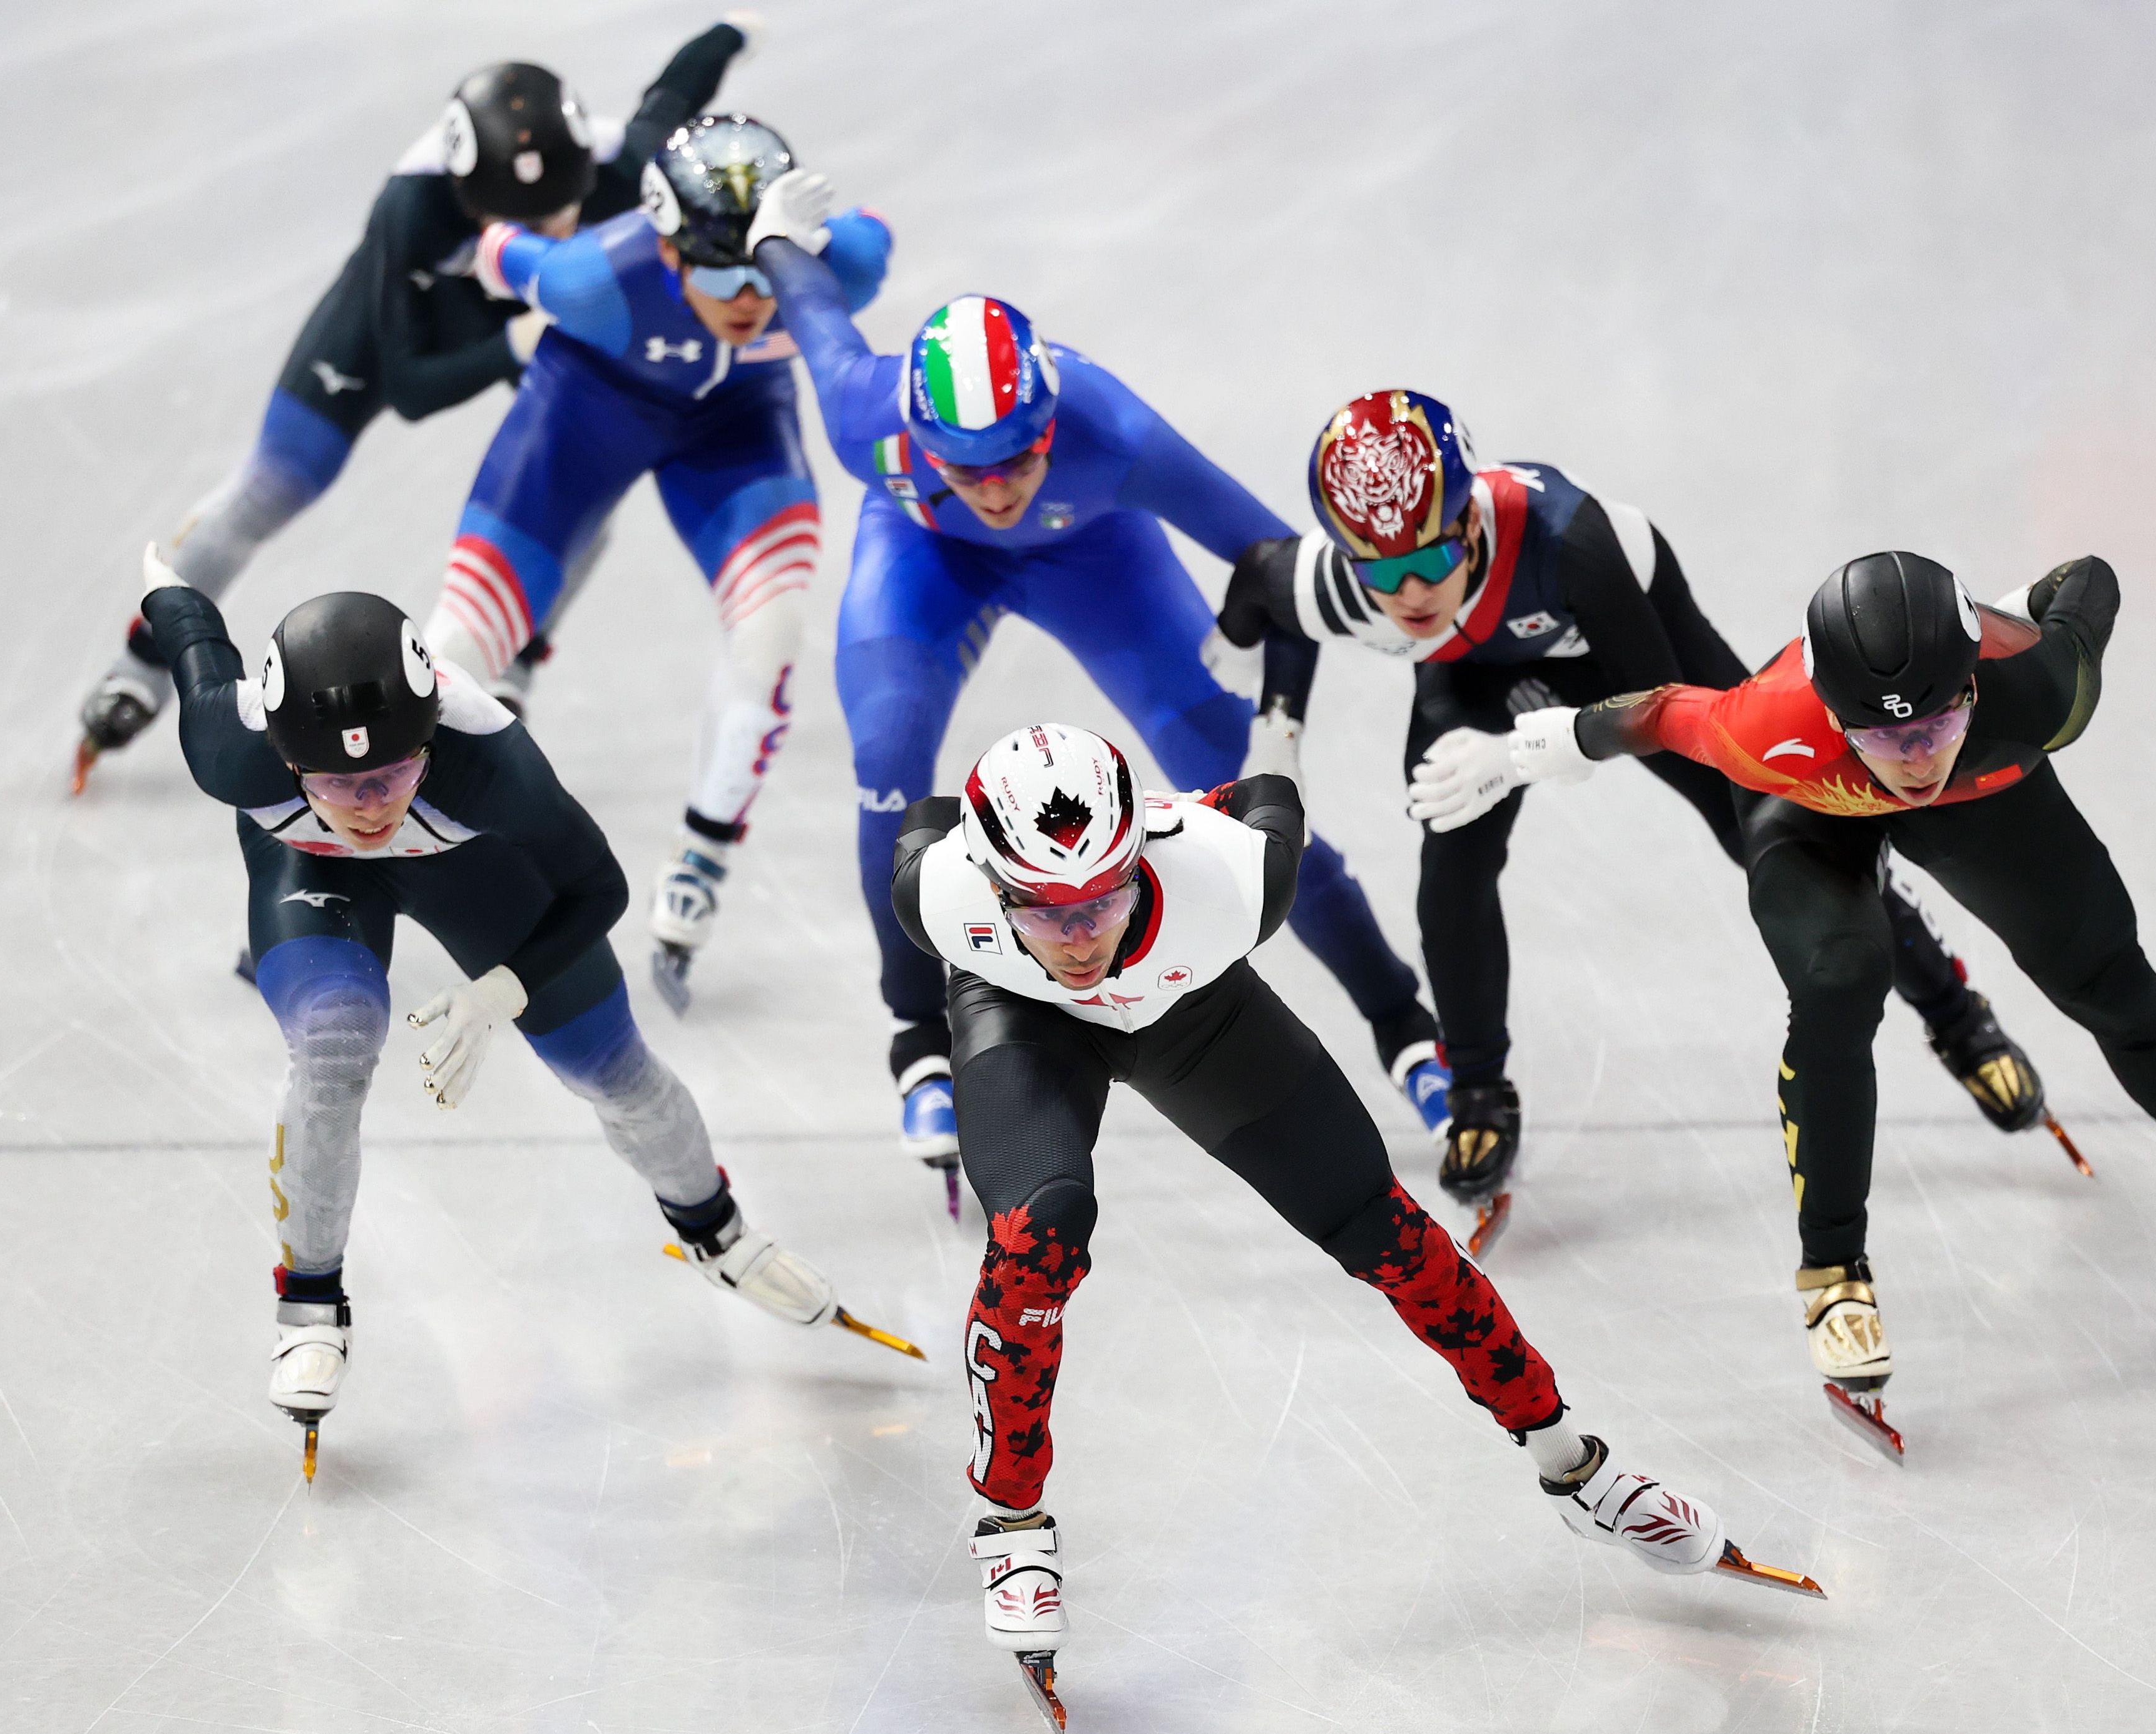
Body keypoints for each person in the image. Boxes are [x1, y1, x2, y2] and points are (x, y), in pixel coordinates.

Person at [892, 724, 1822, 1719]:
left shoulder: (1236, 879)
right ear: (991, 889)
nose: (1082, 938)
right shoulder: (937, 892)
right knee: (1040, 1232)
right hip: (1020, 1018)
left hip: (1191, 1012)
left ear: (1142, 861)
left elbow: (1264, 790)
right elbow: (926, 822)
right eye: (1046, 911)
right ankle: (1013, 1521)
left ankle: (1573, 1463)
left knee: (1385, 1230)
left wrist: (1218, 782)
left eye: (1106, 900)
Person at [1486, 551, 2156, 1452]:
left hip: (1988, 794)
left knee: (2115, 989)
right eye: (1884, 730)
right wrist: (1561, 738)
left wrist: (2023, 614)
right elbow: (1664, 712)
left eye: (1935, 721)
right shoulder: (1768, 724)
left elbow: (2091, 579)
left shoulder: (2042, 687)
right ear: (1833, 709)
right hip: (1812, 805)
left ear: (1971, 685)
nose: (1914, 757)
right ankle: (1834, 1275)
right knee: (1838, 981)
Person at [738, 173, 1452, 1198]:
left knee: (1226, 772)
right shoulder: (867, 419)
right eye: (965, 469)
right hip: (923, 556)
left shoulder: (1111, 430)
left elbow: (1273, 564)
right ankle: (917, 1042)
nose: (991, 490)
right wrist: (776, 239)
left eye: (1016, 462)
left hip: (1094, 556)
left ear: (1048, 422)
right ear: (920, 442)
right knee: (887, 750)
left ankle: (1400, 1023)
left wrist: (1283, 720)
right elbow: (812, 315)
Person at [1215, 389, 2065, 1248]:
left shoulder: (1572, 542)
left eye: (1428, 561)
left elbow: (1663, 710)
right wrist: (1276, 728)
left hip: (1637, 654)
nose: (1407, 594)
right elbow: (1258, 586)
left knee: (1781, 827)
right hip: (1476, 678)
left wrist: (1514, 749)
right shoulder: (1348, 584)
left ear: (1470, 522)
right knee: (1451, 865)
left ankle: (1958, 1015)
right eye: (1380, 572)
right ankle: (1477, 1088)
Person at [131, 550, 915, 1478]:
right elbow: (196, 644)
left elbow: (600, 886)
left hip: (471, 866)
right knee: (334, 1046)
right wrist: (169, 585)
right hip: (307, 875)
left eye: (392, 773)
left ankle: (716, 1230)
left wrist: (502, 987)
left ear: (431, 739)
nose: (371, 806)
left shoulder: (489, 758)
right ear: (287, 757)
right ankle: (310, 1304)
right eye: (341, 783)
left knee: (614, 1070)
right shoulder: (230, 748)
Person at [73, 22, 757, 792]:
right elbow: (409, 387)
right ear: (468, 201)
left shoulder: (619, 160)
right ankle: (139, 666)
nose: (557, 230)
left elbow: (676, 92)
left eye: (566, 210)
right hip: (419, 323)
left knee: (577, 492)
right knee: (273, 482)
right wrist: (518, 342)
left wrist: (733, 31)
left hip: (535, 310)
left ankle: (516, 661)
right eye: (526, 224)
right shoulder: (411, 205)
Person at [432, 116, 890, 1010]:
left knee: (773, 635)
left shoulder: (842, 267)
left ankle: (703, 855)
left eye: (765, 264)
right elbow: (495, 249)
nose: (750, 294)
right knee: (449, 655)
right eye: (719, 270)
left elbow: (875, 236)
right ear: (669, 252)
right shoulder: (593, 277)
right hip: (583, 413)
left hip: (737, 427)